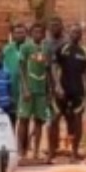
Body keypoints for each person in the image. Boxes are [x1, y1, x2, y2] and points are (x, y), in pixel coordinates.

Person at [54, 24, 86, 160]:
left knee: (77, 120)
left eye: (78, 32)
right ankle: (53, 151)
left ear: (81, 35)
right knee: (56, 118)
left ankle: (74, 151)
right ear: (69, 33)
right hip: (63, 89)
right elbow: (56, 68)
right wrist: (58, 86)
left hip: (78, 91)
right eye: (73, 32)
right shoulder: (62, 49)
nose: (75, 34)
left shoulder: (85, 52)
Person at [17, 22, 53, 161]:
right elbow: (21, 68)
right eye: (35, 32)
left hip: (41, 90)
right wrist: (25, 88)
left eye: (40, 32)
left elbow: (48, 70)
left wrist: (49, 90)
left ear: (44, 34)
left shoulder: (46, 48)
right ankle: (21, 151)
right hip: (29, 89)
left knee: (39, 120)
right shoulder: (25, 47)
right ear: (31, 33)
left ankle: (36, 151)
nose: (38, 34)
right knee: (24, 119)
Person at [2, 23, 29, 132]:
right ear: (13, 35)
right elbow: (4, 68)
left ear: (26, 34)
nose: (19, 35)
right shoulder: (7, 49)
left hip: (26, 87)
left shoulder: (30, 48)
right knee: (11, 117)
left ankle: (24, 145)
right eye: (17, 33)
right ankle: (11, 141)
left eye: (22, 32)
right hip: (12, 87)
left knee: (25, 118)